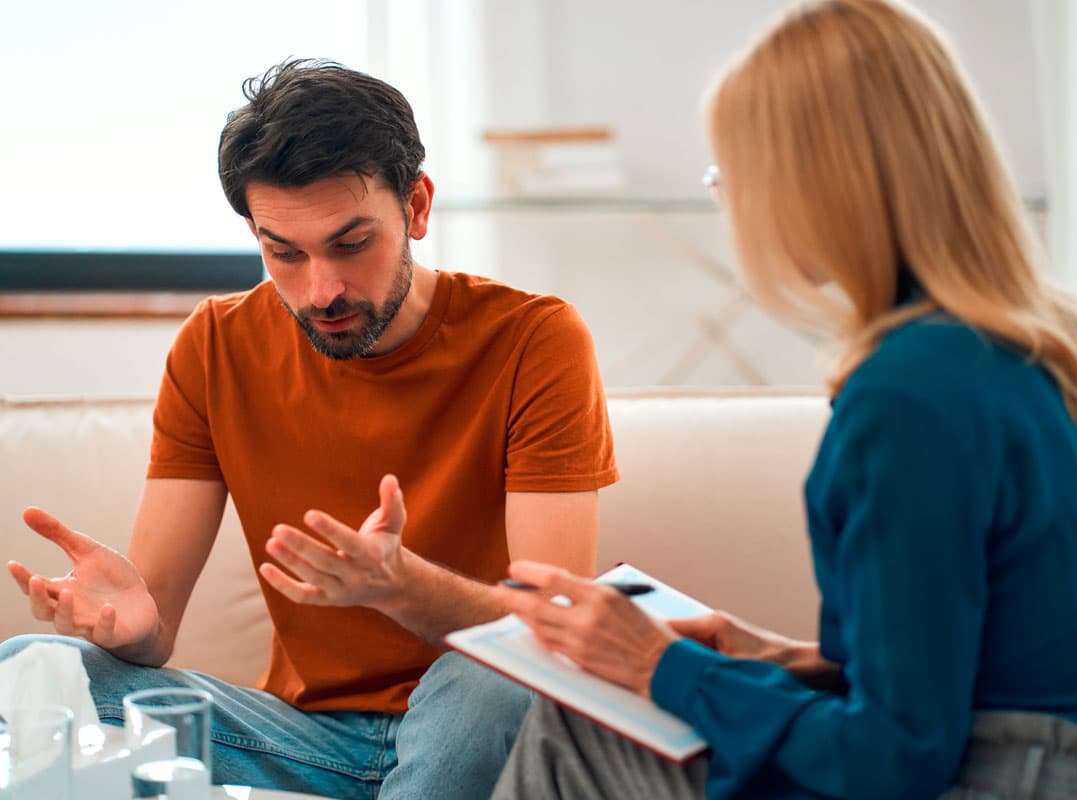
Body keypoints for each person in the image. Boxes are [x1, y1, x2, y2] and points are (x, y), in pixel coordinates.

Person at [488, 1, 1077, 798]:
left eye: (733, 172)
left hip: (1001, 778)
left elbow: (895, 757)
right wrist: (776, 658)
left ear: (818, 183)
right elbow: (969, 664)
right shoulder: (1037, 355)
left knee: (577, 721)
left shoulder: (907, 396)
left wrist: (657, 664)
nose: (732, 202)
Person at [1, 60, 618, 800]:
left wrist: (400, 586)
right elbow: (156, 629)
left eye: (351, 244)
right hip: (301, 738)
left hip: (478, 715)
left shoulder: (533, 338)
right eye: (283, 253)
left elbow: (551, 630)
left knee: (495, 673)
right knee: (31, 668)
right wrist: (131, 627)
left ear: (416, 208)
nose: (320, 291)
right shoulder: (215, 345)